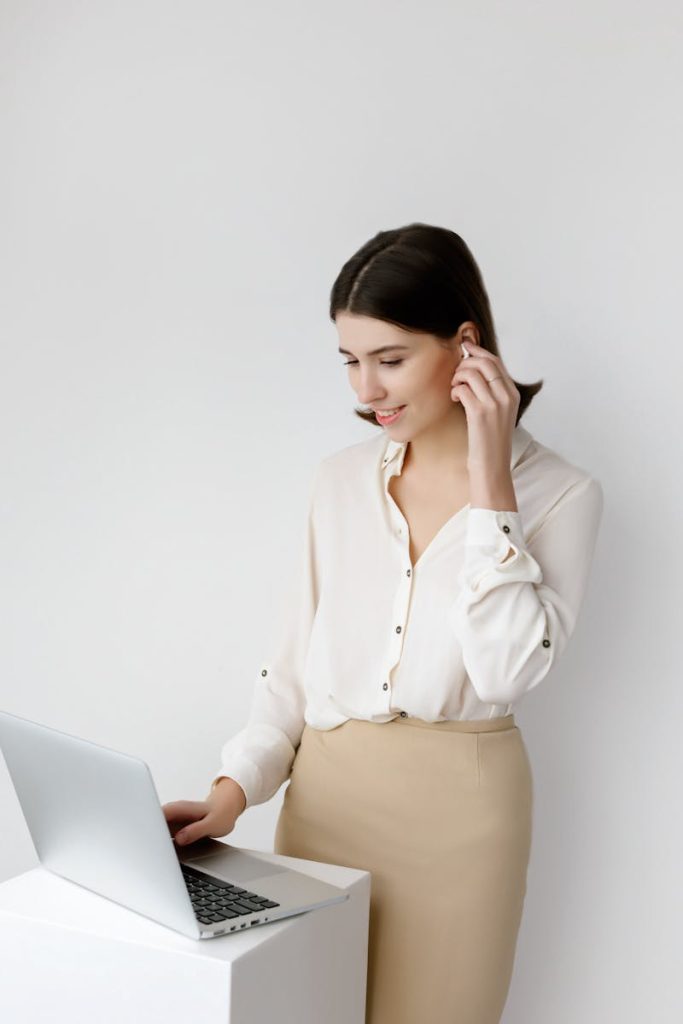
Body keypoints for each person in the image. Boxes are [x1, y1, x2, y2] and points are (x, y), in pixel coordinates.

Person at [162, 223, 604, 1024]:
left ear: (465, 346)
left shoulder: (561, 495)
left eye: (390, 359)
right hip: (325, 808)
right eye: (350, 361)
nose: (365, 390)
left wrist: (490, 485)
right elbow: (292, 669)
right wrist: (232, 793)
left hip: (463, 826)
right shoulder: (334, 482)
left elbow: (505, 673)